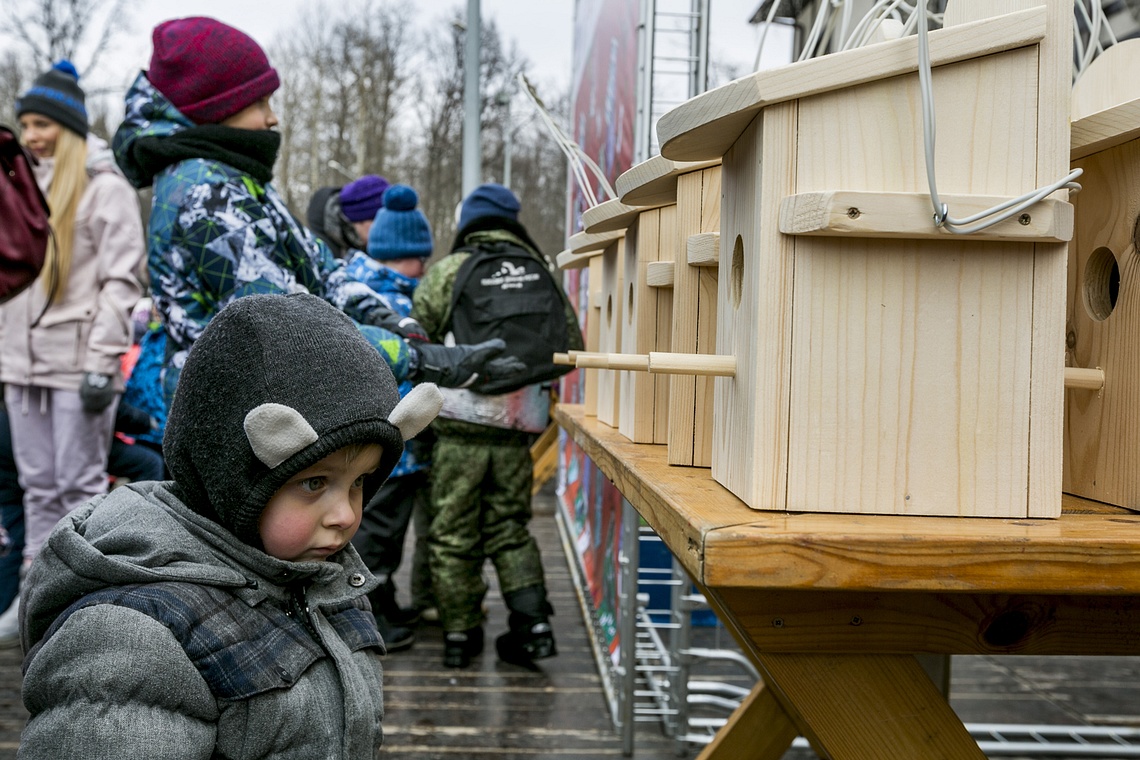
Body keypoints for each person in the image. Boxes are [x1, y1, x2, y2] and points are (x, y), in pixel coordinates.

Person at [18, 292, 443, 757]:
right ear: (232, 480)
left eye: (359, 482)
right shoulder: (131, 640)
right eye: (314, 483)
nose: (345, 515)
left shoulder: (319, 579)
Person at [111, 16, 519, 411]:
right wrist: (420, 361)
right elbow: (287, 329)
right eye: (258, 103)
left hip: (267, 404)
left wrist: (388, 319)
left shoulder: (234, 178)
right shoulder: (208, 196)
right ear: (215, 108)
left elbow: (319, 269)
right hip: (236, 417)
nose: (272, 117)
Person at [0, 61, 145, 642]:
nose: (33, 135)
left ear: (71, 127)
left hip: (79, 361)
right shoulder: (18, 189)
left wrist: (103, 357)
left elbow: (121, 280)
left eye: (43, 124)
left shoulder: (104, 188)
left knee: (81, 484)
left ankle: (81, 595)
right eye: (25, 124)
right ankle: (35, 595)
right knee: (37, 484)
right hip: (21, 361)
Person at [412, 183, 584, 668]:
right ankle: (533, 627)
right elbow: (569, 347)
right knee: (510, 528)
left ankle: (460, 638)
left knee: (452, 532)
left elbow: (416, 345)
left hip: (459, 427)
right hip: (517, 428)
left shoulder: (449, 271)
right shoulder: (539, 271)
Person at [345, 184, 435, 651]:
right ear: (403, 256)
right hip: (393, 444)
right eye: (419, 257)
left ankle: (384, 600)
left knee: (384, 532)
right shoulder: (391, 304)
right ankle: (370, 613)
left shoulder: (360, 287)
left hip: (387, 444)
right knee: (378, 535)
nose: (424, 266)